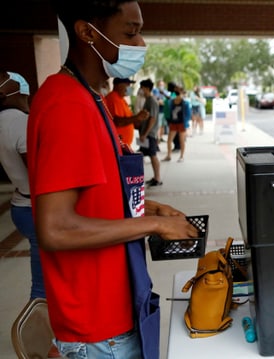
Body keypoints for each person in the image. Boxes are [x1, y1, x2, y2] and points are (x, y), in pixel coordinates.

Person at [28, 1, 199, 358]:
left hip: (115, 312)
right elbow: (56, 228)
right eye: (131, 32)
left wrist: (149, 207)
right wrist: (153, 225)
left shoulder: (90, 100)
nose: (141, 44)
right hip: (98, 331)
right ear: (88, 32)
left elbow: (94, 196)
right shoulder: (66, 105)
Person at [0, 71, 46, 300]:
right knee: (43, 287)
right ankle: (38, 334)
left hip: (21, 205)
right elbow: (42, 172)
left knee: (42, 282)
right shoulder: (20, 123)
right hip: (36, 208)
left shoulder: (5, 121)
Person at [105, 77, 149, 148]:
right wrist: (136, 117)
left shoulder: (121, 99)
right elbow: (117, 122)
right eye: (127, 85)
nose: (129, 88)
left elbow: (129, 120)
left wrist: (139, 118)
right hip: (118, 144)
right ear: (119, 85)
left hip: (124, 144)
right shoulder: (113, 98)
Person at [137, 78, 162, 186]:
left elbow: (152, 119)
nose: (140, 90)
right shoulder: (147, 100)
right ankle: (154, 177)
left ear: (147, 88)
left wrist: (145, 134)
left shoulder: (151, 101)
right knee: (145, 154)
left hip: (149, 134)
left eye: (141, 88)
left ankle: (157, 178)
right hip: (146, 134)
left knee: (153, 155)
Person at [163, 86, 191, 162]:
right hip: (173, 122)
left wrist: (186, 124)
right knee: (169, 140)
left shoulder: (185, 102)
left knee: (181, 140)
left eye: (179, 91)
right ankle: (169, 155)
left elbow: (188, 114)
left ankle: (181, 156)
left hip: (181, 123)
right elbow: (168, 110)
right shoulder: (172, 101)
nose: (177, 93)